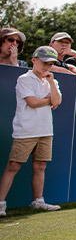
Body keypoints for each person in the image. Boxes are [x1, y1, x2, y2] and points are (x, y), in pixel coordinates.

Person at [0, 46, 63, 217]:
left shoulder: (52, 81)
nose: (47, 67)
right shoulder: (24, 79)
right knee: (13, 165)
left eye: (50, 64)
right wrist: (49, 100)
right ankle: (0, 203)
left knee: (40, 166)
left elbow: (57, 101)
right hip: (26, 130)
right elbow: (32, 103)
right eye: (44, 63)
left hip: (45, 130)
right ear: (34, 60)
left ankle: (38, 201)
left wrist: (50, 84)